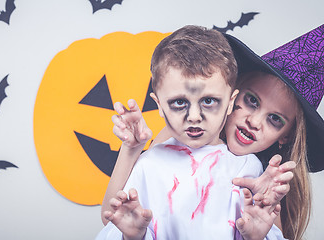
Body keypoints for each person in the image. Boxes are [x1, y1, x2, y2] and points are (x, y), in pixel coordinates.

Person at [100, 25, 324, 240]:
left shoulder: (260, 178)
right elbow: (113, 217)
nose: (254, 121)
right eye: (252, 101)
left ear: (286, 135)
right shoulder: (173, 142)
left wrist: (258, 227)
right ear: (232, 97)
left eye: (275, 119)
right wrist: (131, 148)